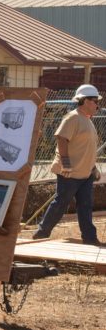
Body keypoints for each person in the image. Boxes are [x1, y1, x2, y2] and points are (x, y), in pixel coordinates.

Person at [33, 84, 103, 245]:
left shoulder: (86, 120)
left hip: (85, 174)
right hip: (69, 173)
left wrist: (93, 168)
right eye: (94, 101)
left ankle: (90, 238)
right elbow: (61, 138)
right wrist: (65, 163)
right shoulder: (72, 118)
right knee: (61, 203)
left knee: (85, 206)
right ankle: (41, 233)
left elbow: (85, 148)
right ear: (84, 101)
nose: (97, 105)